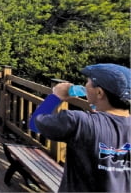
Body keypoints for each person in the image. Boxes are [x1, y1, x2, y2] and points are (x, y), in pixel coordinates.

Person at [34, 63, 130, 192]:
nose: (84, 86)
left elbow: (36, 122)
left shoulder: (79, 121)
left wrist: (55, 96)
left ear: (99, 92)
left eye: (88, 82)